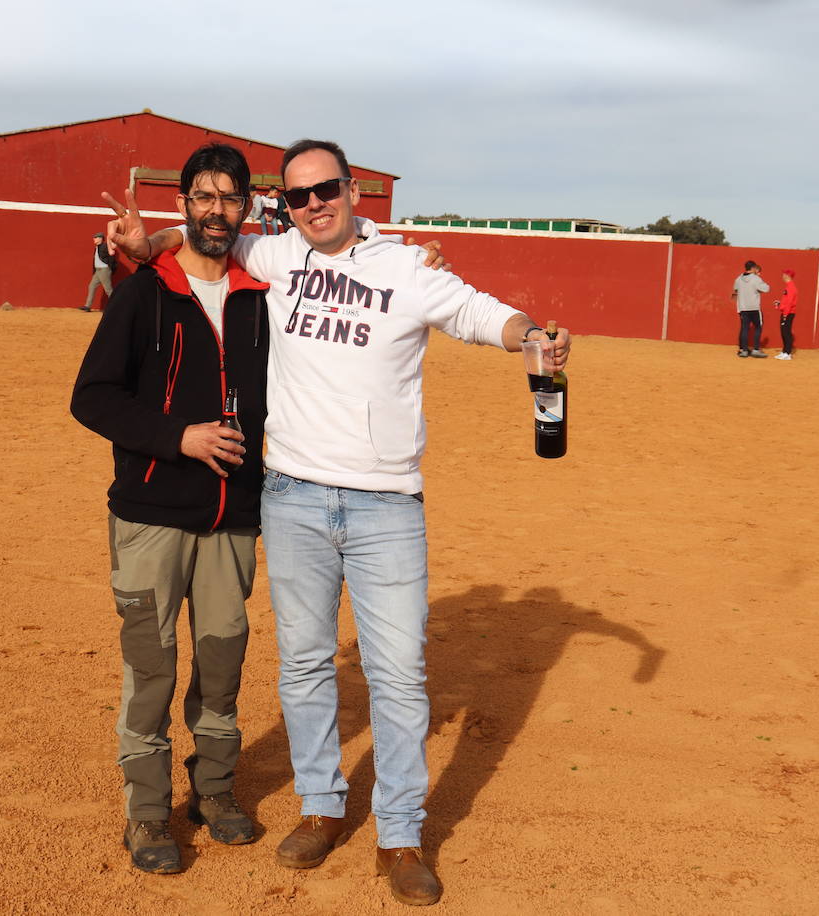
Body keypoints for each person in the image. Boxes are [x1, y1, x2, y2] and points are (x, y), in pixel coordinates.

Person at [104, 138, 569, 908]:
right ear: (281, 205)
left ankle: (400, 834)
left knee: (397, 675)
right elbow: (202, 240)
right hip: (290, 498)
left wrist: (535, 334)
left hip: (387, 504)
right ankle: (321, 808)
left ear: (354, 191)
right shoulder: (275, 253)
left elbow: (480, 313)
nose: (312, 204)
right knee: (306, 666)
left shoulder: (407, 268)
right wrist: (144, 239)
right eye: (297, 195)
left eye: (325, 190)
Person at [70, 143, 270, 875]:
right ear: (184, 203)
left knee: (222, 663)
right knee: (151, 668)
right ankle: (148, 812)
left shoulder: (260, 293)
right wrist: (178, 437)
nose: (217, 211)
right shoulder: (145, 292)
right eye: (204, 197)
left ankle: (213, 792)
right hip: (152, 513)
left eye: (230, 198)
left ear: (247, 207)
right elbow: (91, 397)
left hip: (231, 518)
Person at [731, 261, 770, 358]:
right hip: (754, 307)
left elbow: (735, 289)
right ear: (753, 268)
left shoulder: (738, 279)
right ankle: (756, 349)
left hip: (743, 307)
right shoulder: (756, 279)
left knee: (744, 328)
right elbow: (767, 289)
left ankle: (744, 350)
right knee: (758, 327)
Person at [80, 231, 118, 311]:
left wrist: (110, 268)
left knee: (108, 289)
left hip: (104, 270)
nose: (94, 239)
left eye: (95, 237)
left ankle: (116, 306)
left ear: (100, 238)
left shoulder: (105, 246)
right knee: (91, 286)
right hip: (98, 271)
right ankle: (87, 306)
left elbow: (111, 257)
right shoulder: (97, 247)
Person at [773, 269, 798, 360]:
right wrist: (780, 304)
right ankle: (784, 351)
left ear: (787, 276)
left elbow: (790, 303)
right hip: (786, 312)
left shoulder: (790, 287)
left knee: (786, 332)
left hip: (788, 313)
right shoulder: (789, 287)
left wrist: (785, 314)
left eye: (784, 274)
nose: (782, 276)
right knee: (784, 332)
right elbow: (786, 301)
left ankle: (787, 353)